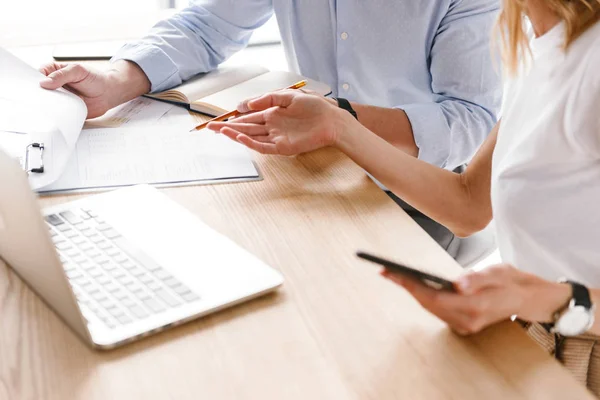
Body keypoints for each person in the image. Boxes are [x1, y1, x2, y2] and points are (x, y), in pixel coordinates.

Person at [207, 0, 600, 392]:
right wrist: (338, 126)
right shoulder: (542, 43)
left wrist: (544, 297)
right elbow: (468, 207)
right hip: (543, 340)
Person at [38, 0, 502, 257]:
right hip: (310, 168)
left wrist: (343, 121)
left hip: (414, 194)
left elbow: (469, 119)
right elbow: (208, 26)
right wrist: (115, 81)